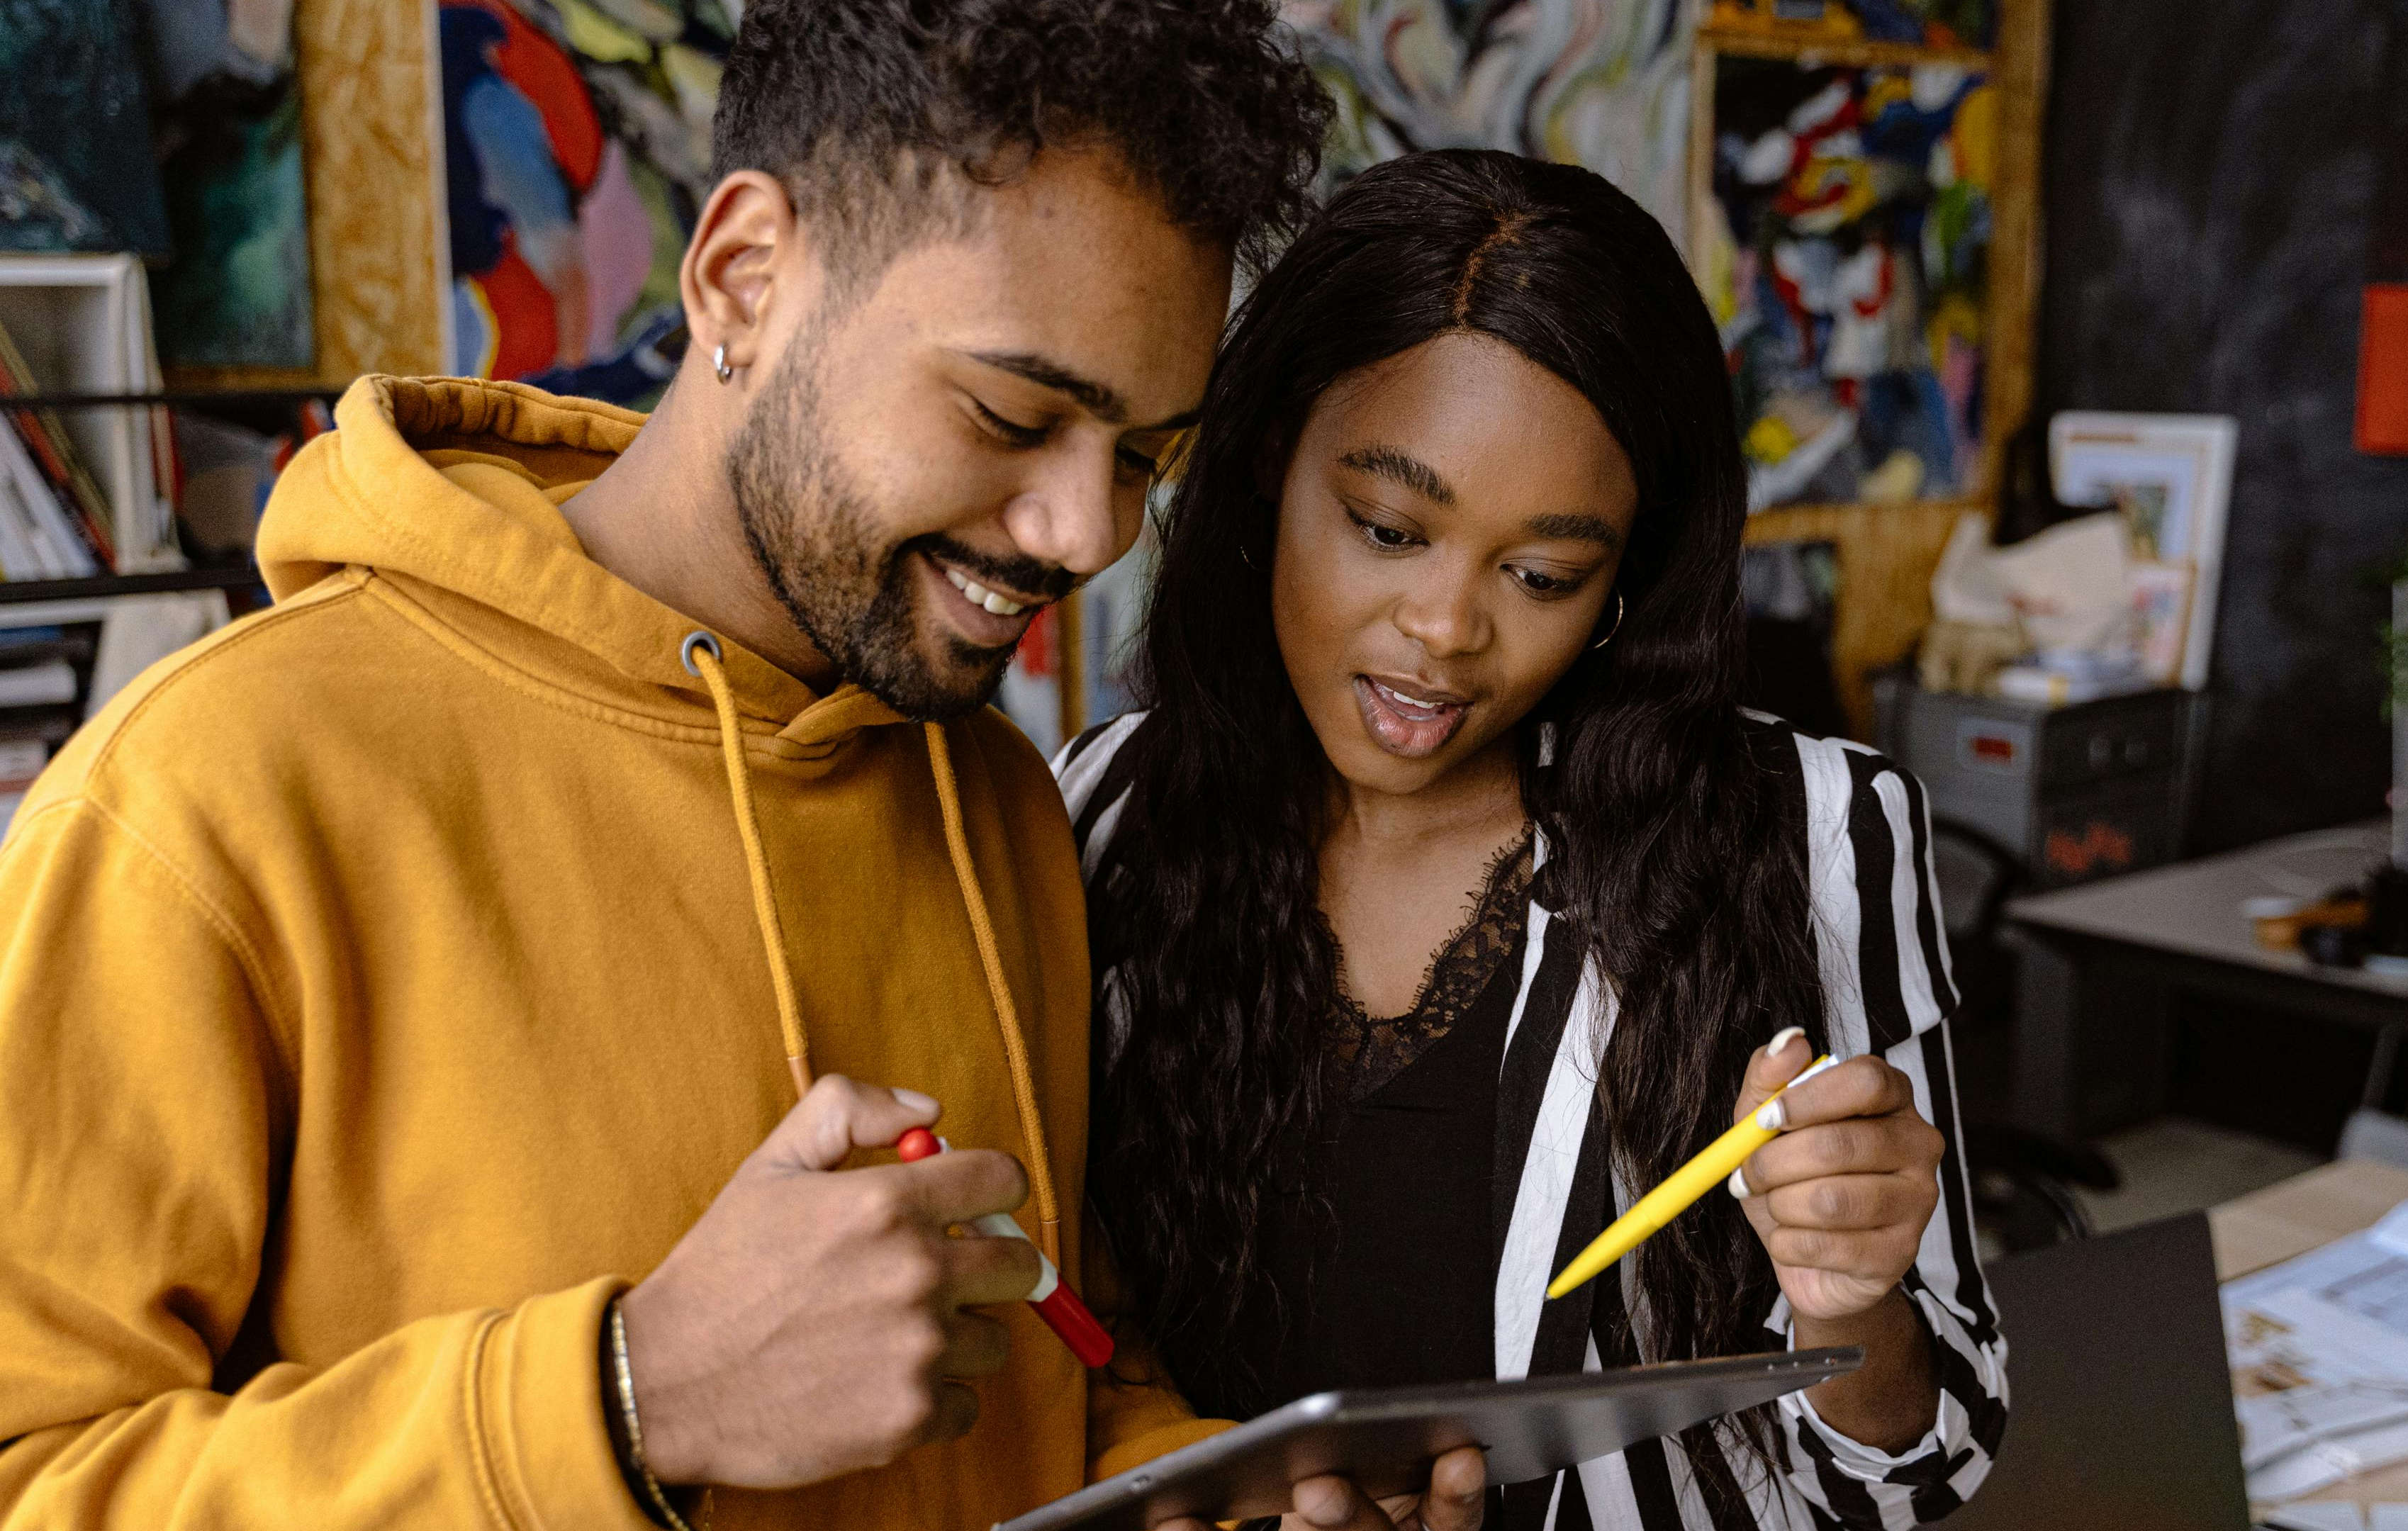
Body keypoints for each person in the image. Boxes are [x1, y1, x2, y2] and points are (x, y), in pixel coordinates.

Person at [0, 4, 1328, 1528]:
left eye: (1145, 457)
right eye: (1012, 416)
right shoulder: (207, 795)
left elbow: (1041, 1374)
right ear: (742, 277)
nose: (1086, 536)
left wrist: (1183, 1487)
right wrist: (630, 1397)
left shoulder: (995, 798)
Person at [1058, 150, 2009, 1531]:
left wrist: (1850, 1300)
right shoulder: (1100, 820)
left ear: (1627, 576)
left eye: (1544, 573)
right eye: (1388, 527)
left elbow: (1930, 1466)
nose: (1446, 631)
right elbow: (1076, 1364)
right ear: (1271, 465)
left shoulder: (1808, 832)